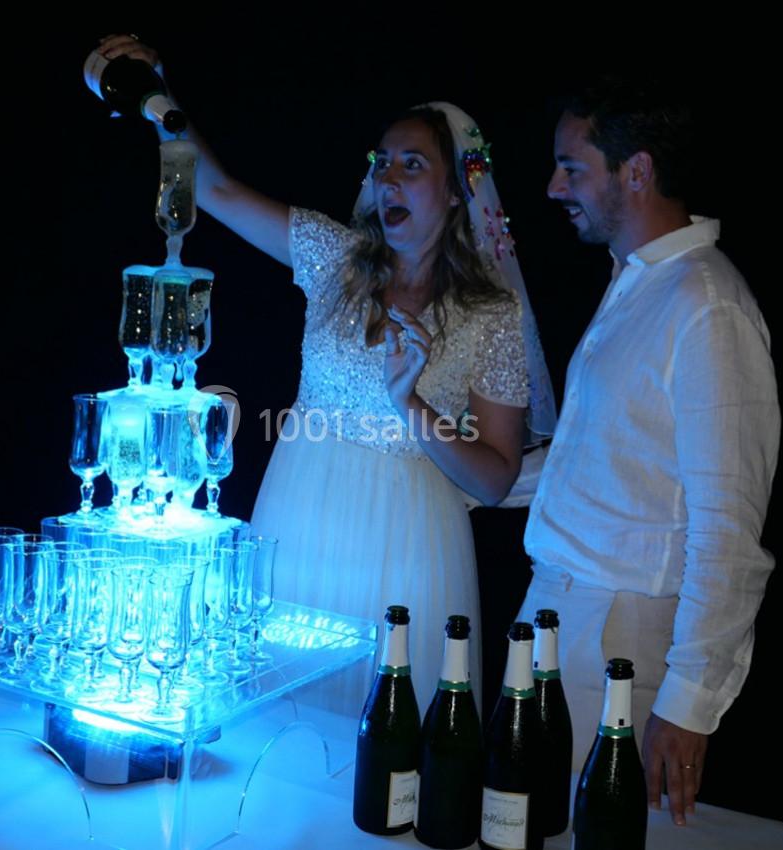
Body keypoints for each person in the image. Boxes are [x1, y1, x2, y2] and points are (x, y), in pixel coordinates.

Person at [96, 35, 556, 713]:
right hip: (299, 514)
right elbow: (214, 189)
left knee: (383, 741)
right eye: (381, 162)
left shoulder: (489, 315)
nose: (388, 178)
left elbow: (493, 481)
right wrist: (157, 94)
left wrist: (415, 409)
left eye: (412, 164)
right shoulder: (331, 255)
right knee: (278, 729)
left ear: (458, 192)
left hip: (409, 546)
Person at [518, 79, 780, 824]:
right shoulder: (639, 286)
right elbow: (606, 466)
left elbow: (727, 529)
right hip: (560, 618)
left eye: (572, 168)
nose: (553, 187)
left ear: (635, 171)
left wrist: (690, 704)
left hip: (618, 637)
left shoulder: (707, 305)